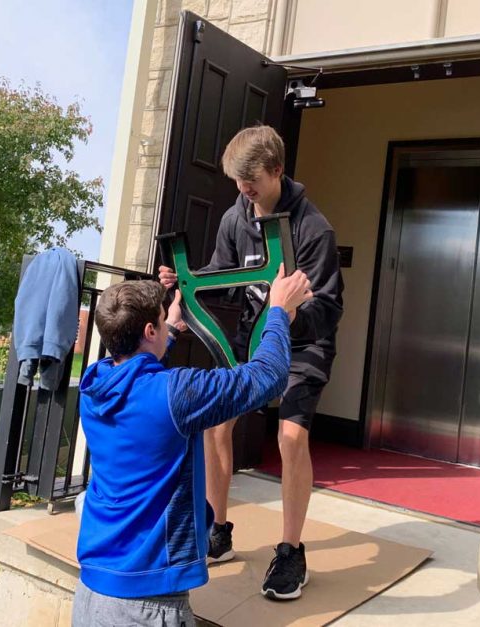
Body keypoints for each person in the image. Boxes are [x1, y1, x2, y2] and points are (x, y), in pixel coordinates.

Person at [159, 125, 344, 601]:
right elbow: (223, 279)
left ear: (277, 171)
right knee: (214, 425)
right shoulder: (233, 218)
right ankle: (218, 531)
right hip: (250, 340)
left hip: (305, 344)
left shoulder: (314, 229)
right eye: (238, 181)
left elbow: (328, 312)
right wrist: (188, 281)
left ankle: (291, 550)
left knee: (290, 436)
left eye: (252, 180)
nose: (244, 189)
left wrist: (288, 311)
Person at [74, 267, 312, 626]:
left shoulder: (95, 387)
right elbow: (268, 376)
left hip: (92, 592)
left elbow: (139, 376)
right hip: (149, 607)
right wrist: (277, 310)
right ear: (149, 331)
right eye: (160, 322)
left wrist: (169, 330)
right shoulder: (177, 393)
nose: (166, 327)